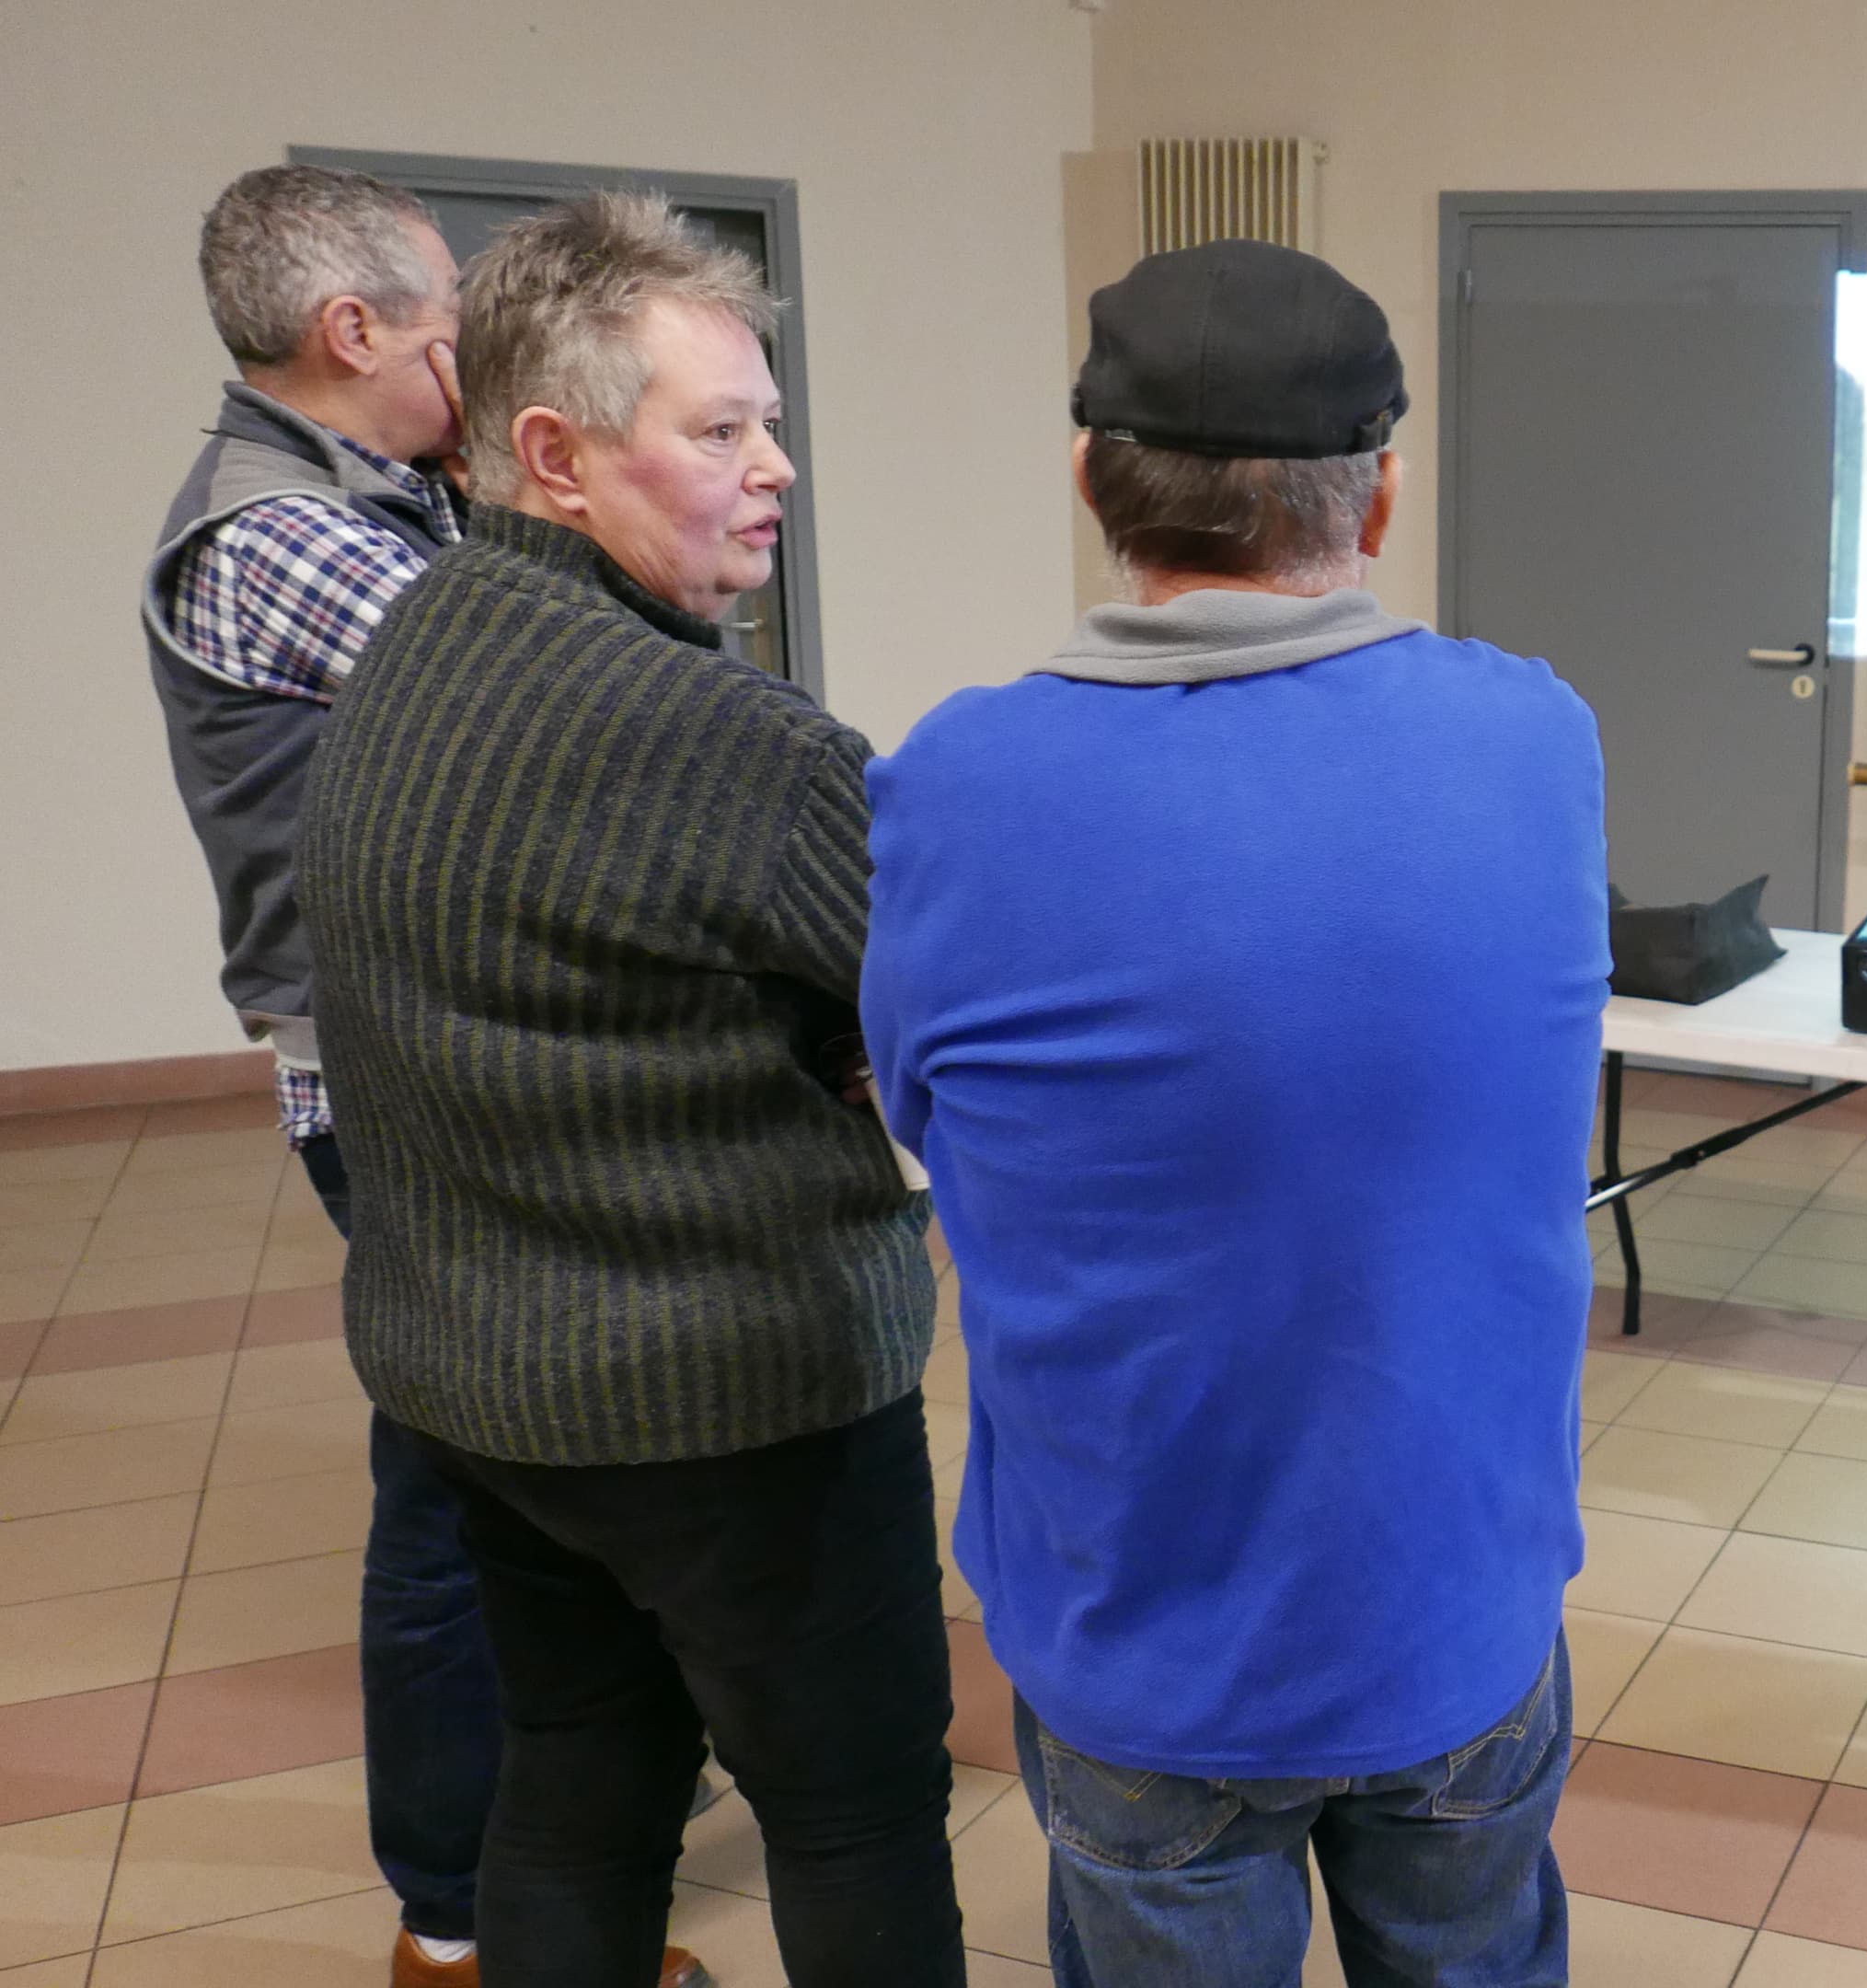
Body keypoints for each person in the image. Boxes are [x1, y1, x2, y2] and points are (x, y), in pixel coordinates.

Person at [859, 240, 1607, 1988]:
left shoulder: (955, 778)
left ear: (1089, 479)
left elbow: (920, 1104)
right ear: (1381, 492)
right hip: (1452, 1600)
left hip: (1144, 1636)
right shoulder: (1532, 734)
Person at [296, 191, 960, 1988]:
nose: (777, 469)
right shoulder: (743, 748)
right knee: (857, 1815)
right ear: (553, 456)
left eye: (770, 422)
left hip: (485, 1382)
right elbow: (950, 1025)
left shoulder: (411, 649)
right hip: (736, 1400)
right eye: (721, 431)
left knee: (581, 1781)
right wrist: (840, 1053)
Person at [139, 163, 714, 1988]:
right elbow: (560, 710)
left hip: (459, 1062)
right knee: (465, 1499)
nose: (472, 357)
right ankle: (459, 1918)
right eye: (453, 325)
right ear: (351, 331)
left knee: (524, 1467)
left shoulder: (379, 500)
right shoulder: (281, 534)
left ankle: (551, 1844)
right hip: (409, 1087)